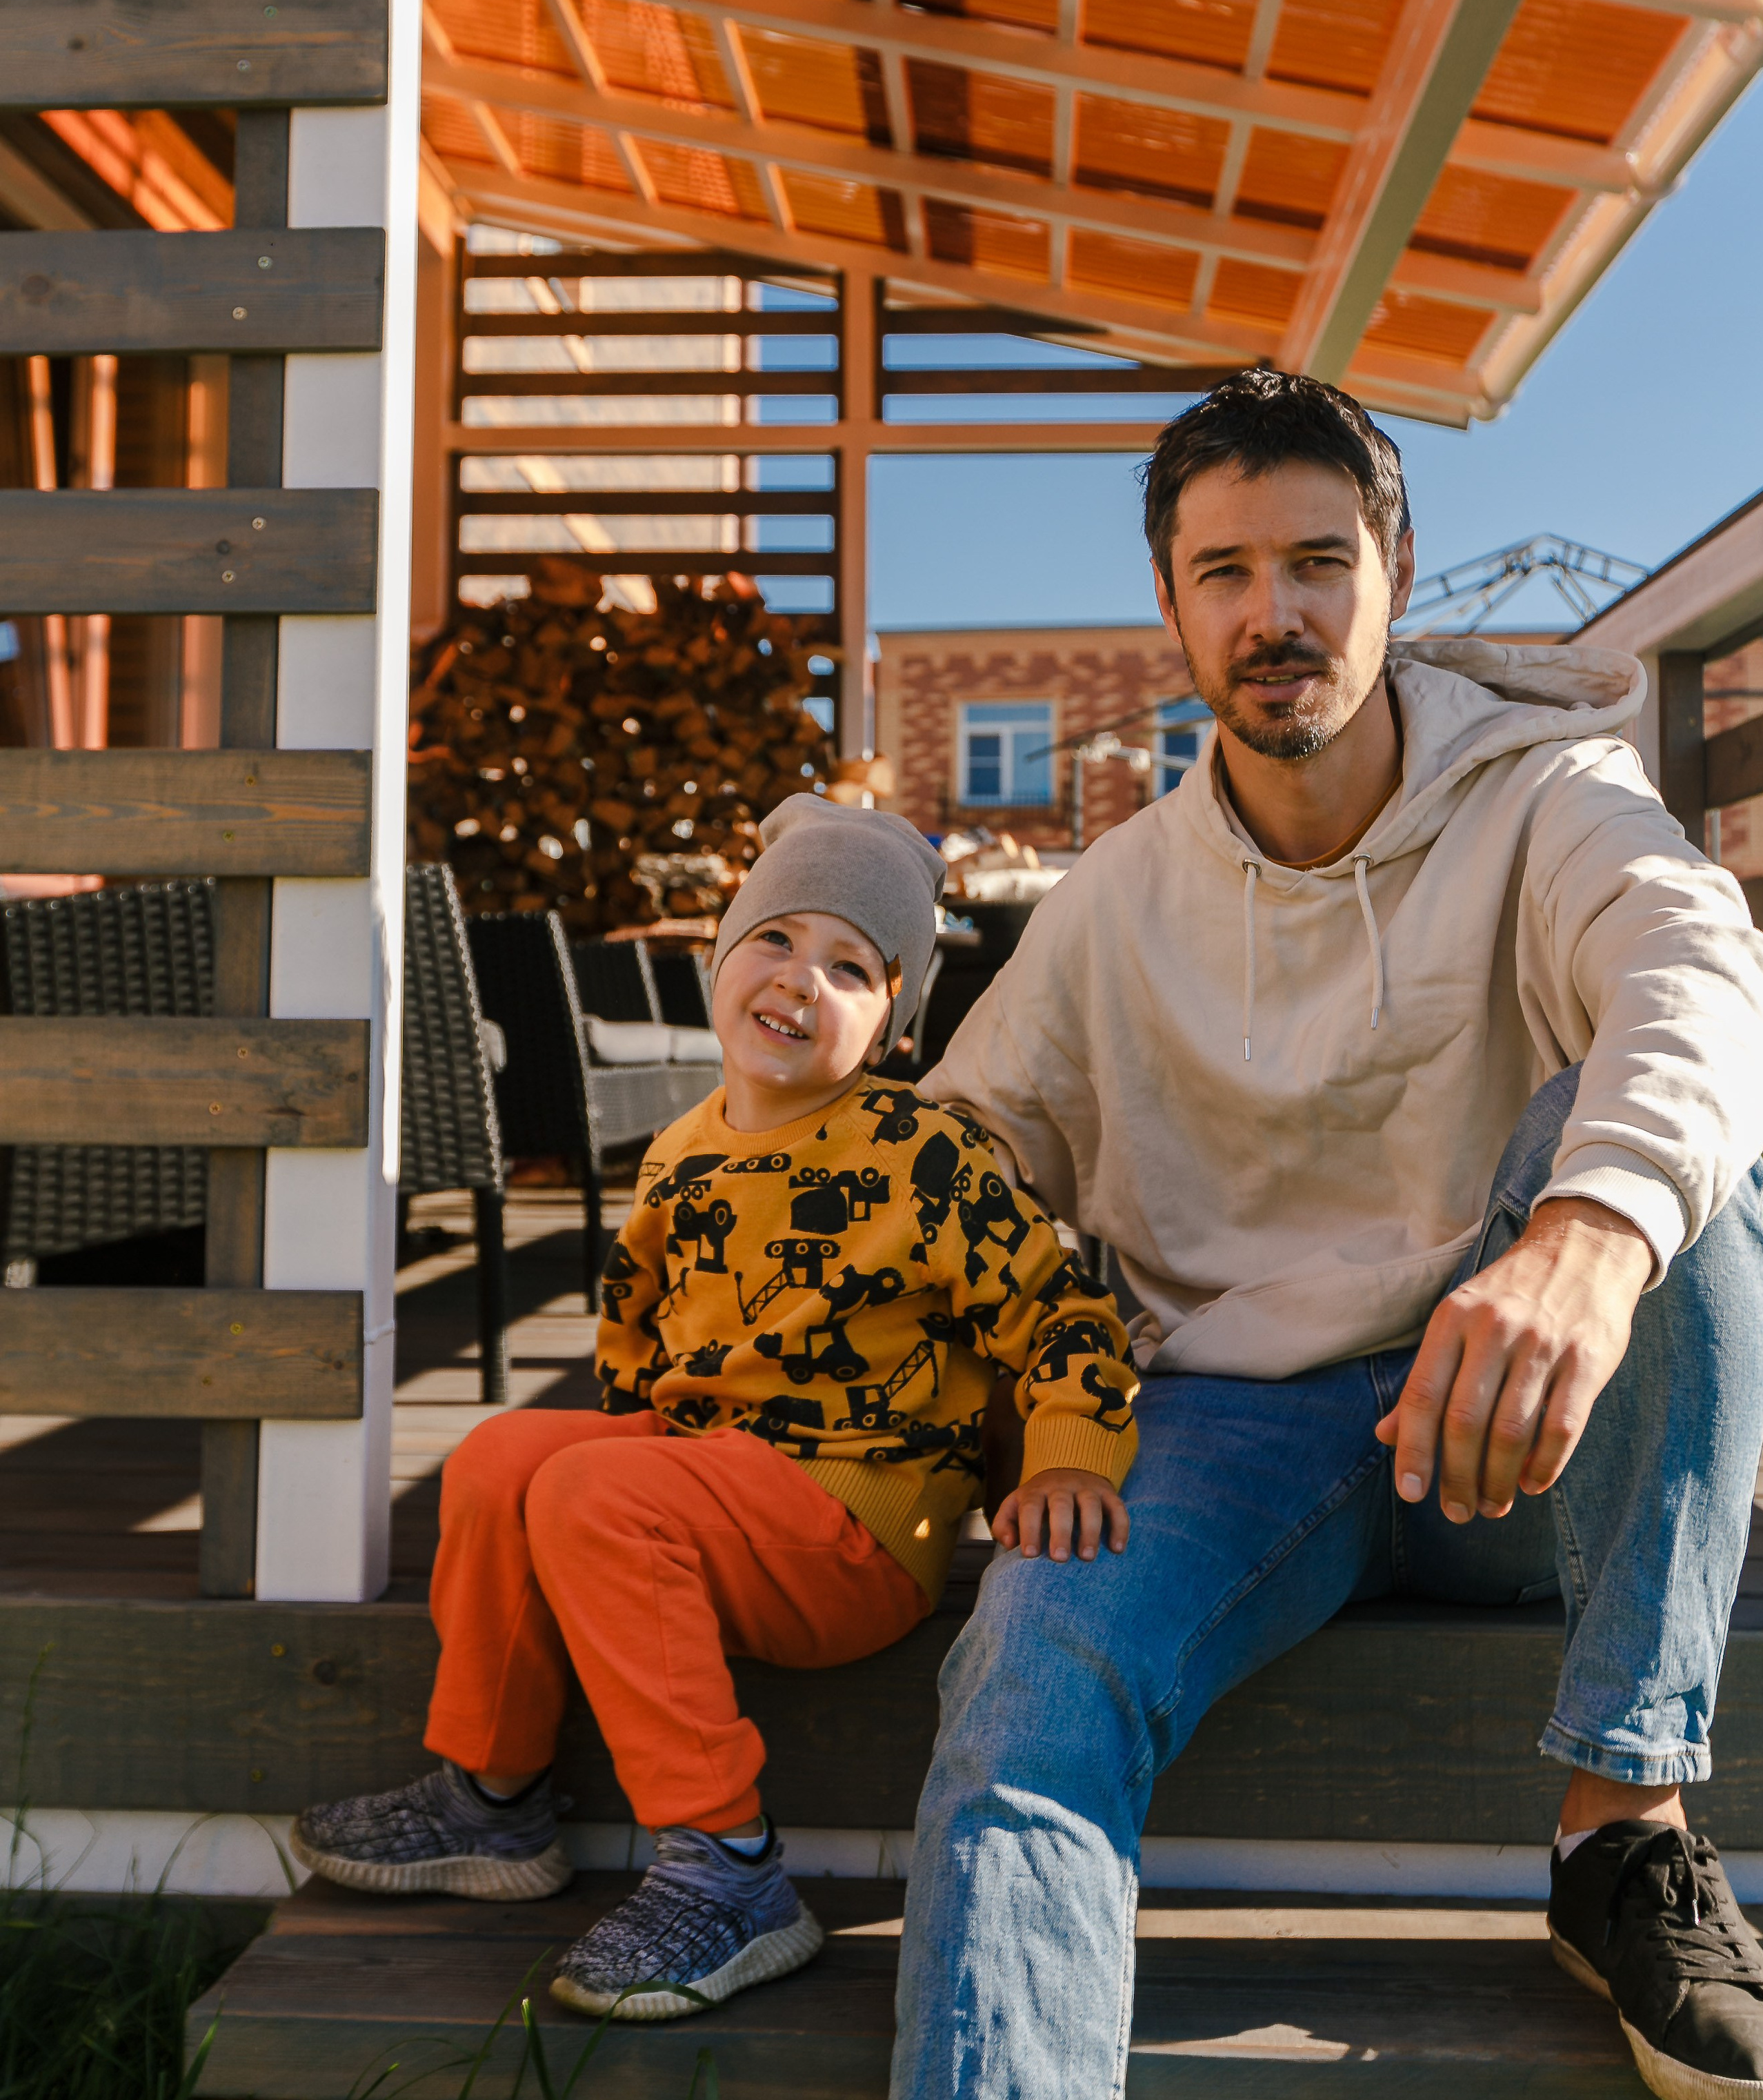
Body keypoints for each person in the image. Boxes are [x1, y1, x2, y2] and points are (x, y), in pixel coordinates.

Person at [886, 365, 1763, 2100]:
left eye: (1314, 562)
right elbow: (963, 1162)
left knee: (1666, 1162)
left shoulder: (1547, 793)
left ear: (1395, 571)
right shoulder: (1116, 896)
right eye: (1222, 572)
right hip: (1226, 1434)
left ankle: (1623, 1828)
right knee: (1031, 1664)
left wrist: (1586, 1239)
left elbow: (1694, 966)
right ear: (1170, 605)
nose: (1270, 614)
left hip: (1512, 1432)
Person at [292, 795, 1137, 2023]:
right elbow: (635, 1331)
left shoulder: (924, 1154)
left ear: (894, 1027)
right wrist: (607, 1478)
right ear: (721, 957)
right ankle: (493, 1796)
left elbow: (1064, 1312)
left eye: (850, 967)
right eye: (776, 939)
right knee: (501, 1457)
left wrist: (1067, 1457)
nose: (801, 979)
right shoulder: (678, 1149)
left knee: (592, 1491)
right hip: (714, 1480)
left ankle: (727, 1867)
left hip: (857, 1522)